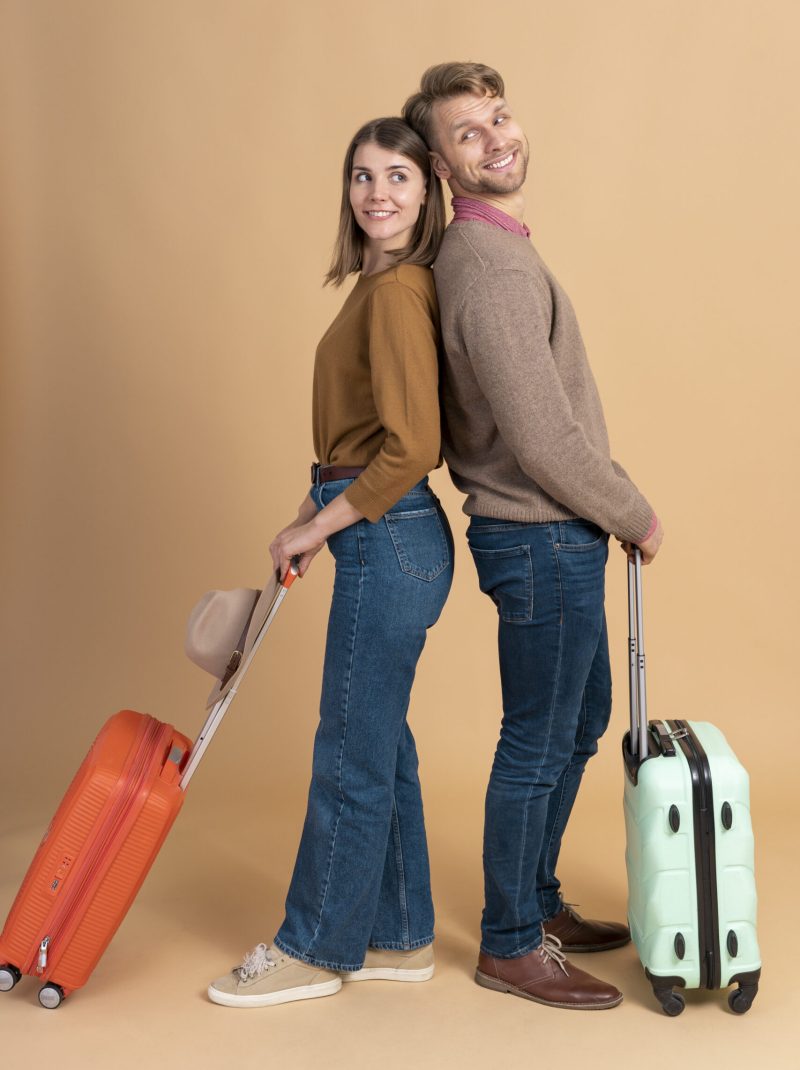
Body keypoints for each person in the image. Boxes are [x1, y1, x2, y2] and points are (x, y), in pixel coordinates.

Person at [402, 63, 663, 1011]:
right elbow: (541, 434)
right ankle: (510, 942)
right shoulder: (488, 264)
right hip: (542, 539)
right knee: (536, 742)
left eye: (498, 117)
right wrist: (632, 510)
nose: (496, 137)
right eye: (467, 133)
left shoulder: (501, 250)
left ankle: (537, 900)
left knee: (578, 725)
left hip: (560, 534)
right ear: (440, 163)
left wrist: (609, 506)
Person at [206, 117, 453, 1009]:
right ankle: (397, 935)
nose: (377, 193)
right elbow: (362, 444)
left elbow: (413, 444)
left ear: (427, 193)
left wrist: (323, 524)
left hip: (390, 537)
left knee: (350, 749)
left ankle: (314, 946)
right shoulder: (380, 285)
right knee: (379, 744)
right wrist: (307, 516)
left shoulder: (394, 294)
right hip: (379, 531)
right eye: (361, 176)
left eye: (397, 176)